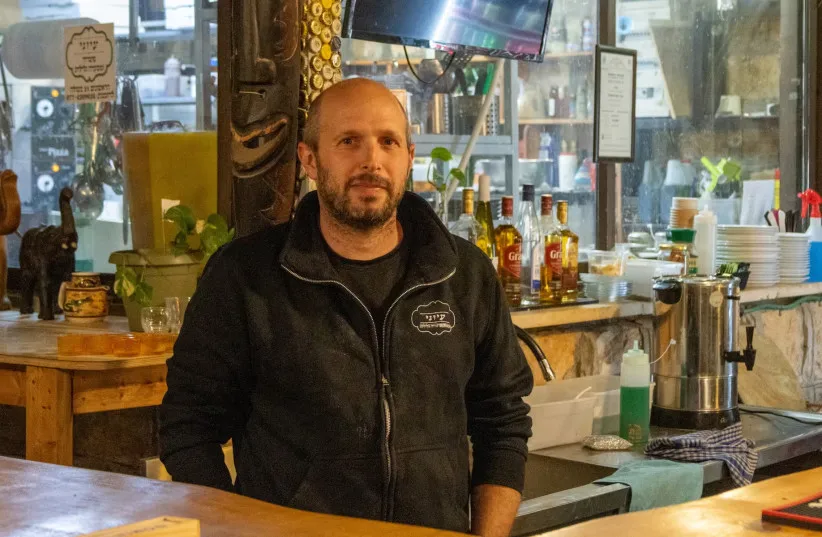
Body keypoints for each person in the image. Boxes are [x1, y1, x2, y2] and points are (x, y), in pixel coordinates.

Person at [159, 78, 533, 537]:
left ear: (409, 158)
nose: (371, 161)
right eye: (349, 141)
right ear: (310, 160)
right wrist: (236, 529)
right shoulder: (245, 276)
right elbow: (187, 427)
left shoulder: (463, 273)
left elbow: (503, 421)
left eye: (388, 142)